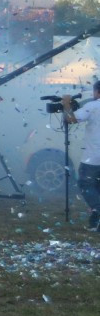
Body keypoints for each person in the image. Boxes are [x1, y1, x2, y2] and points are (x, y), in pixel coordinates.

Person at [61, 80, 100, 231]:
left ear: (97, 92)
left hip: (94, 157)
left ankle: (97, 211)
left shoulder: (93, 106)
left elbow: (70, 119)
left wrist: (66, 104)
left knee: (86, 183)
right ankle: (95, 221)